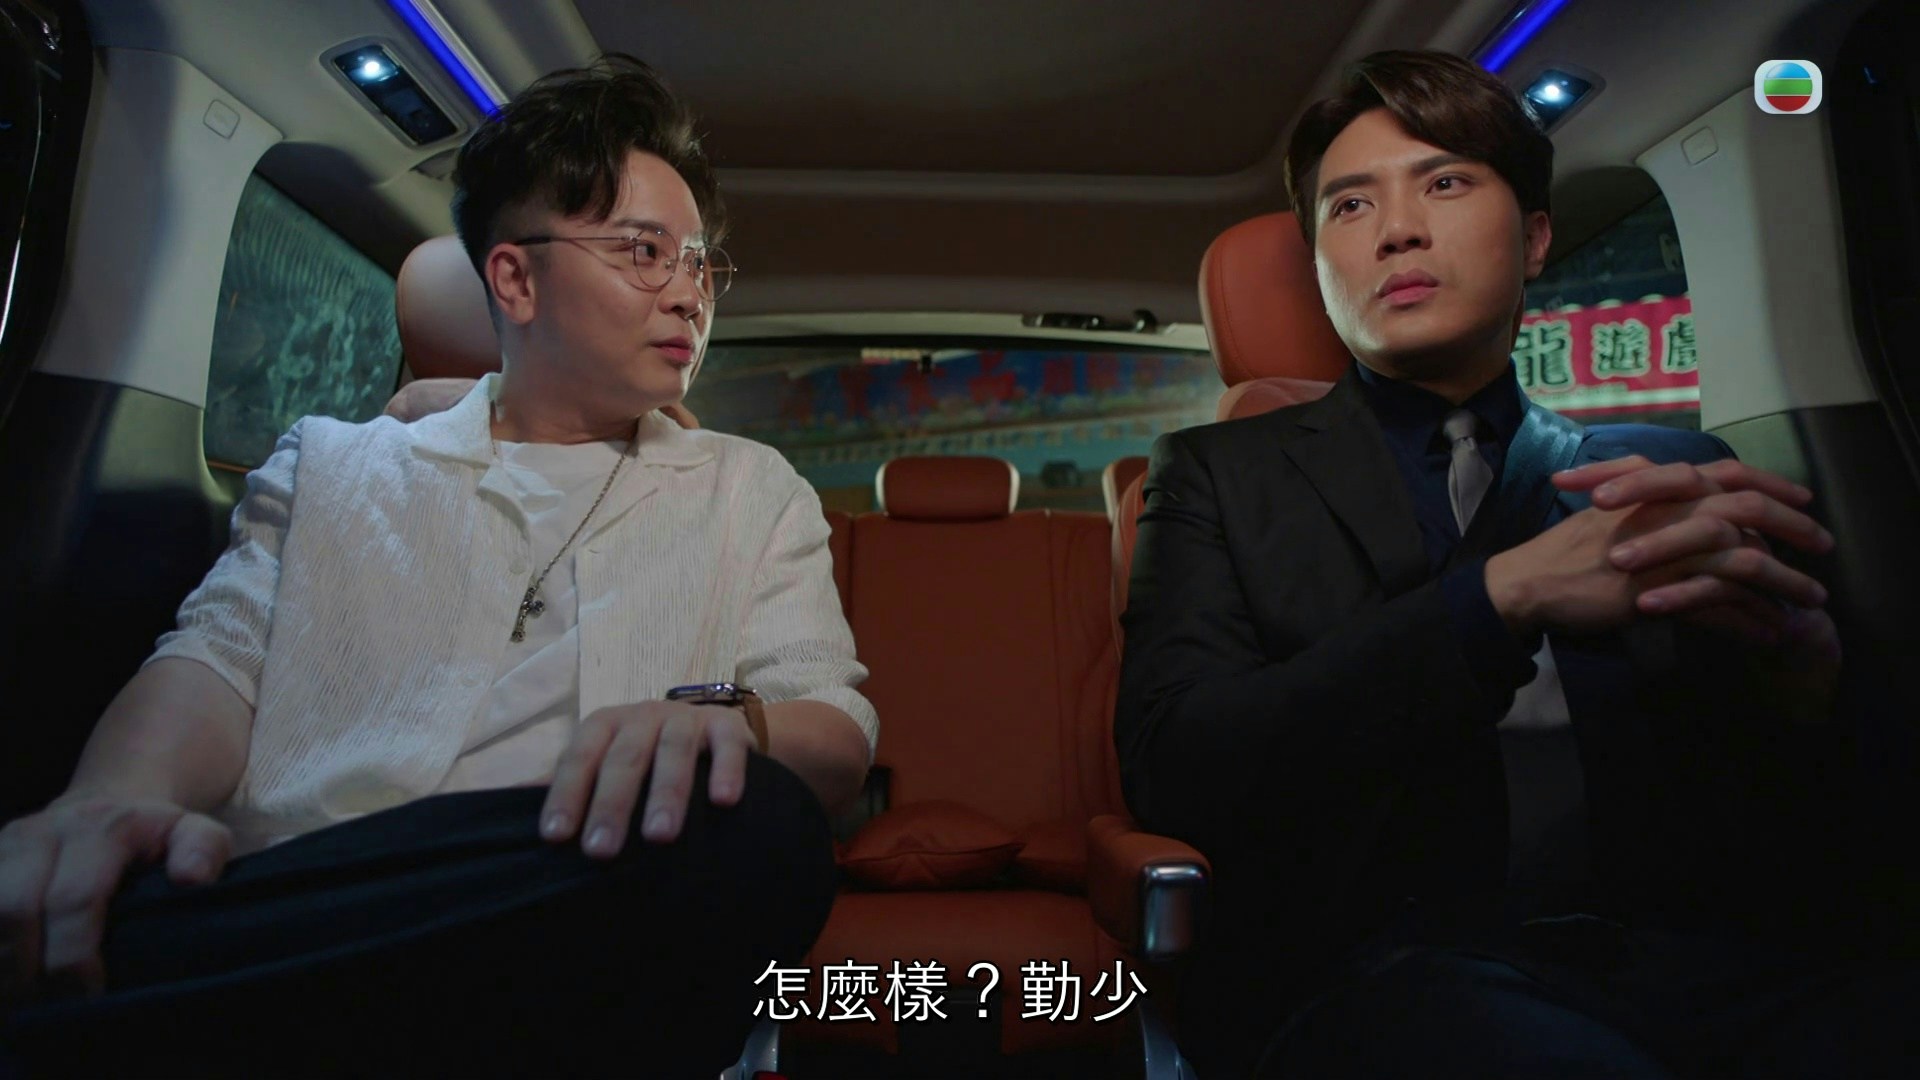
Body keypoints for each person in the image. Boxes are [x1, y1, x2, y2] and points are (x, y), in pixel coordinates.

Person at [0, 55, 875, 1077]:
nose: (689, 295)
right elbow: (217, 658)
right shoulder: (332, 464)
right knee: (78, 877)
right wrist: (108, 799)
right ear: (514, 278)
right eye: (646, 253)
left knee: (759, 826)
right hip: (313, 885)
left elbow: (834, 721)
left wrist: (723, 721)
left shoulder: (748, 487)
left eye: (699, 264)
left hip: (578, 882)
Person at [1115, 49, 1916, 1079]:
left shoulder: (1666, 474)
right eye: (1350, 206)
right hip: (1374, 973)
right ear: (1321, 266)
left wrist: (1804, 677)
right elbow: (1178, 766)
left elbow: (1805, 825)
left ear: (1535, 238)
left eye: (1445, 182)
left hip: (1686, 964)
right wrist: (1500, 596)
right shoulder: (1216, 476)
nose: (1397, 229)